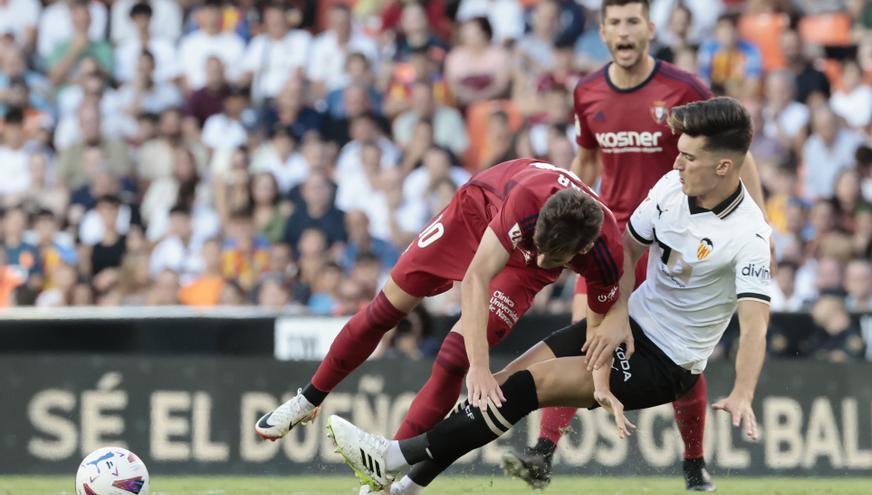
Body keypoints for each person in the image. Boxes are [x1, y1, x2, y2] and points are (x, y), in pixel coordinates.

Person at [329, 96, 772, 495]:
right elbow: (628, 249)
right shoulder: (673, 187)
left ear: (724, 167)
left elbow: (755, 328)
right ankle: (403, 489)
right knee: (494, 391)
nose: (677, 164)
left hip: (667, 362)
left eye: (689, 157)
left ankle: (390, 456)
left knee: (528, 387)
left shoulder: (749, 236)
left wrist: (743, 393)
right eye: (678, 153)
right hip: (628, 327)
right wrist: (617, 313)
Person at [506, 1, 768, 490]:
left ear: (649, 29)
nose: (624, 31)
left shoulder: (685, 89)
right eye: (615, 22)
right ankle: (543, 452)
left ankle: (693, 463)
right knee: (587, 336)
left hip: (675, 238)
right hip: (611, 241)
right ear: (603, 32)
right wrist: (570, 219)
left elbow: (731, 150)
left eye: (633, 21)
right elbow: (585, 163)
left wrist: (758, 219)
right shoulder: (587, 91)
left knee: (680, 359)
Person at [255, 158, 631, 471]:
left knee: (454, 358)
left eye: (559, 261)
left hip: (522, 268)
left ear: (583, 247)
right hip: (475, 213)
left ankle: (385, 469)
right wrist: (481, 369)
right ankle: (307, 401)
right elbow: (476, 278)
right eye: (544, 249)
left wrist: (599, 385)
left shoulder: (606, 253)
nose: (549, 261)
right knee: (384, 311)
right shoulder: (527, 199)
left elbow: (595, 330)